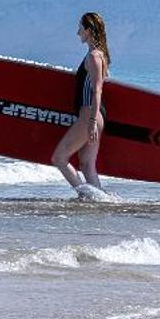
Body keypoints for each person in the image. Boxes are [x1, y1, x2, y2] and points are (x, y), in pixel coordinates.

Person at [52, 11, 114, 201]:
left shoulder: (94, 56)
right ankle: (103, 201)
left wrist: (92, 121)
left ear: (89, 30)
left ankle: (90, 196)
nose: (77, 32)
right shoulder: (98, 55)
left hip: (89, 114)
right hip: (94, 115)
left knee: (59, 159)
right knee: (87, 164)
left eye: (80, 28)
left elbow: (97, 90)